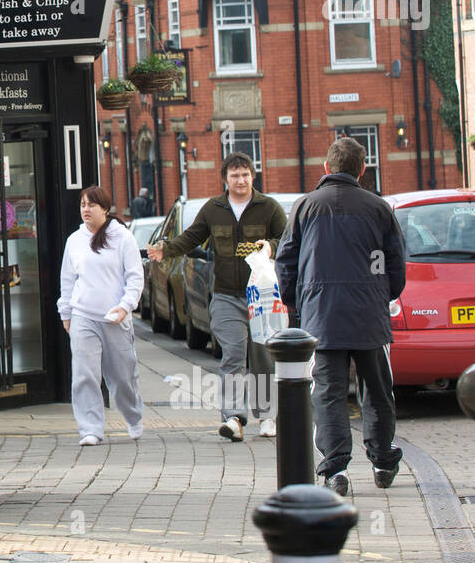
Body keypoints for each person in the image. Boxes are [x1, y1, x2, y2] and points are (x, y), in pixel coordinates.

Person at [274, 136, 406, 495]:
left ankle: (335, 467)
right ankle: (381, 460)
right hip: (370, 316)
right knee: (377, 391)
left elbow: (285, 262)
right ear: (362, 169)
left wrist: (297, 306)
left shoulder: (305, 207)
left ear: (326, 168)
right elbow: (395, 264)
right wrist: (383, 295)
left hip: (322, 316)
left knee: (328, 392)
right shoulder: (379, 208)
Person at [146, 152, 286, 441]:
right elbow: (191, 237)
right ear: (225, 179)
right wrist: (165, 248)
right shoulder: (214, 209)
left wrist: (270, 246)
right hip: (225, 295)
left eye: (245, 174)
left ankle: (266, 416)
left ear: (253, 176)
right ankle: (234, 418)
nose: (241, 180)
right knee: (233, 354)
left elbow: (287, 239)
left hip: (261, 295)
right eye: (235, 175)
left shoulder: (268, 207)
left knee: (261, 357)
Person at [58, 186, 145, 445]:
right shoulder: (74, 240)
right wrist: (66, 312)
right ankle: (90, 429)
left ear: (105, 209)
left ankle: (133, 416)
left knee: (122, 377)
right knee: (85, 374)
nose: (86, 209)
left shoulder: (122, 237)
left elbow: (135, 277)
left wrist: (125, 306)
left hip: (115, 318)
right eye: (83, 204)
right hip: (83, 316)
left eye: (91, 205)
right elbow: (67, 280)